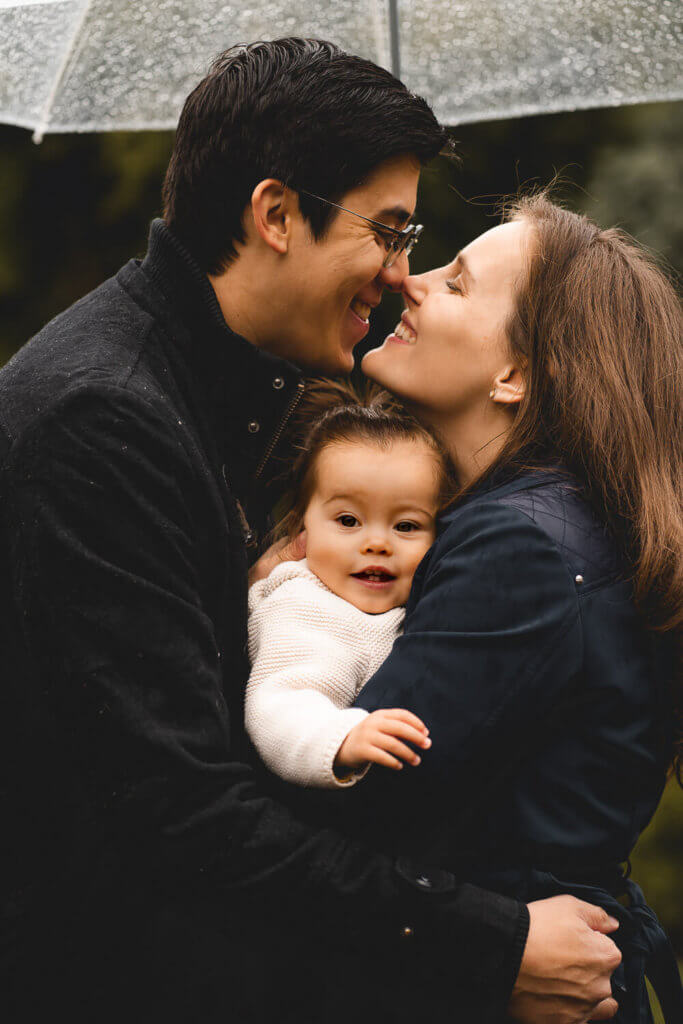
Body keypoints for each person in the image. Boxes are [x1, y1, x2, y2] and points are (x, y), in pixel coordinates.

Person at [0, 39, 622, 1024]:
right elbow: (182, 805)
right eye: (386, 231)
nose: (399, 273)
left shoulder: (239, 400)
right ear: (276, 214)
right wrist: (492, 940)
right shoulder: (104, 415)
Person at [342, 192, 681, 1022]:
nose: (407, 281)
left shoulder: (519, 549)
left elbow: (351, 801)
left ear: (515, 374)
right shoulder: (567, 521)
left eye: (455, 283)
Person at [246, 381, 450, 788]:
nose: (376, 543)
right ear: (302, 528)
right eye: (348, 521)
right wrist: (341, 737)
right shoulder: (307, 607)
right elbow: (278, 705)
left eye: (406, 526)